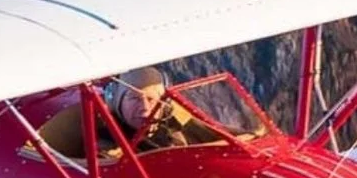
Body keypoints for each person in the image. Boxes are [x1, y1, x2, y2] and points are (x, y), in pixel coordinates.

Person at [31, 68, 218, 160]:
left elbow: (213, 132)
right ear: (117, 102)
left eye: (152, 99)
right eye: (135, 99)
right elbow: (111, 160)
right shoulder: (107, 141)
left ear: (165, 103)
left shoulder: (173, 122)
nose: (145, 108)